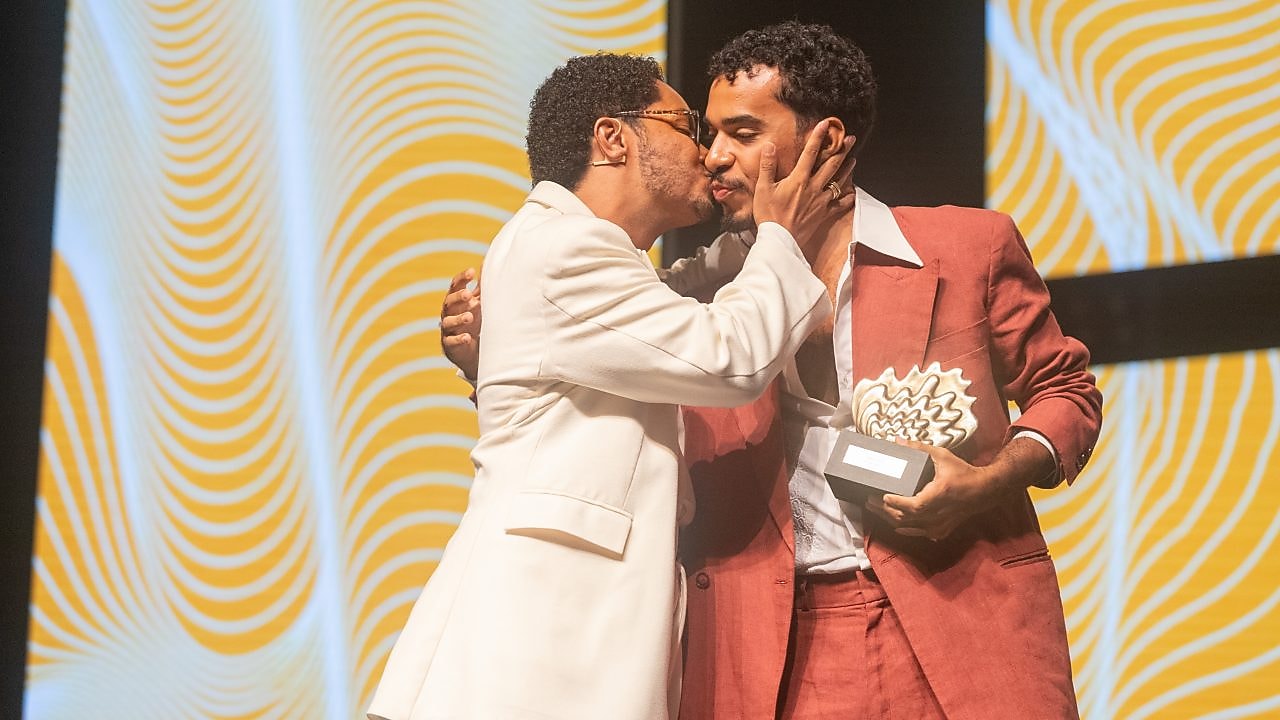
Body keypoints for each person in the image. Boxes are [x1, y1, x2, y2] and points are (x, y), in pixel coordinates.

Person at [442, 23, 1102, 720]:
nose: (713, 156)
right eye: (708, 133)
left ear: (828, 140)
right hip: (775, 641)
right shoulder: (687, 295)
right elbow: (591, 402)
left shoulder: (965, 246)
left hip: (959, 610)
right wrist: (489, 361)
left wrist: (988, 481)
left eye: (744, 133)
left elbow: (1068, 391)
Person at [369, 52, 854, 720]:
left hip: (556, 648)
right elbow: (727, 358)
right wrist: (781, 236)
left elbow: (676, 296)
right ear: (614, 138)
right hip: (536, 655)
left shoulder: (572, 250)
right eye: (685, 126)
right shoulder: (565, 250)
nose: (709, 155)